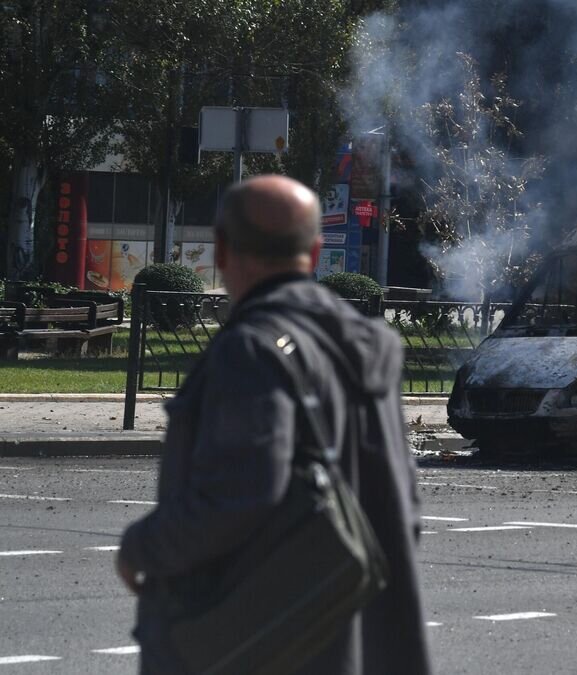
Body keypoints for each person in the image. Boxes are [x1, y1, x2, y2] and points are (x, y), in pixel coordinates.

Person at [117, 175, 431, 674]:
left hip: (260, 644)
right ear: (314, 252)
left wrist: (141, 547)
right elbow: (403, 505)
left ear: (222, 250)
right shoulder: (370, 346)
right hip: (355, 631)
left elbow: (241, 493)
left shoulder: (251, 350)